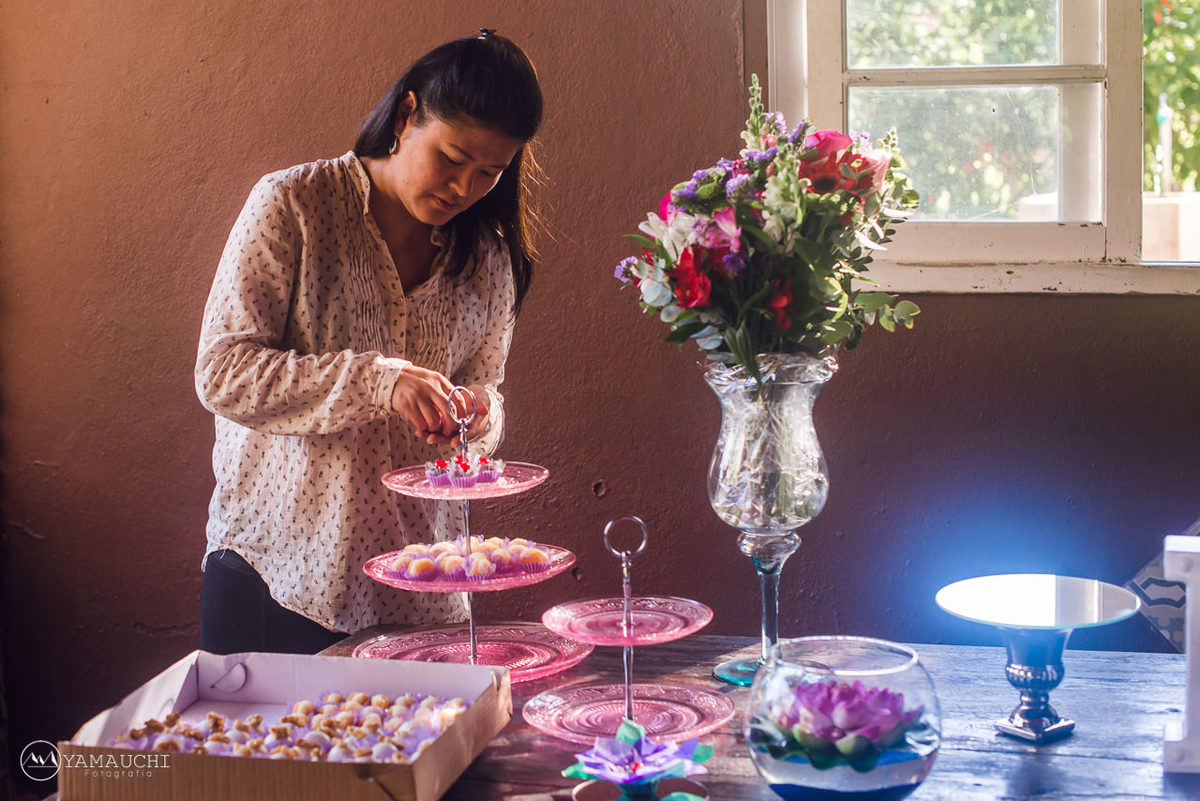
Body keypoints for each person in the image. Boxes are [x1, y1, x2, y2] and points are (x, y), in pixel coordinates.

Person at [194, 29, 543, 655]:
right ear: (408, 114)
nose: (464, 188)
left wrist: (474, 413)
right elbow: (223, 371)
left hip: (420, 590)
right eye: (452, 157)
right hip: (278, 573)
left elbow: (484, 391)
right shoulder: (293, 205)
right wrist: (379, 379)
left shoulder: (486, 258)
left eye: (489, 172)